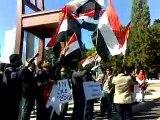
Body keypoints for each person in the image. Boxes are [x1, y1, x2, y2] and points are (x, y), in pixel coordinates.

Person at [2, 54, 23, 120]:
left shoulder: (13, 69)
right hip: (11, 100)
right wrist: (24, 68)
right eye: (19, 60)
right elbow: (15, 76)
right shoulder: (9, 69)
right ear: (15, 61)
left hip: (13, 99)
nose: (20, 61)